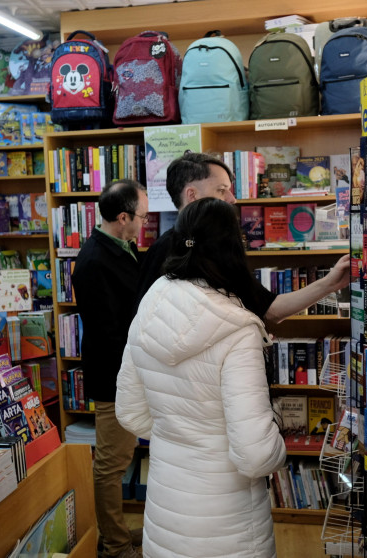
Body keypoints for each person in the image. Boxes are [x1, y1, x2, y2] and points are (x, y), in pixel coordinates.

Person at [116, 197, 287, 557]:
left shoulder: (150, 304)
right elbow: (256, 454)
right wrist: (279, 442)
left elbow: (130, 413)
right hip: (229, 520)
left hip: (166, 505)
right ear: (233, 248)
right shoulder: (237, 327)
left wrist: (178, 431)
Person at [133, 152, 351, 325]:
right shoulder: (162, 251)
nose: (232, 199)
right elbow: (144, 323)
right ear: (192, 195)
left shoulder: (221, 247)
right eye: (222, 190)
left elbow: (271, 309)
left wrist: (331, 282)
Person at [71, 179, 147, 558]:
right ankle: (114, 544)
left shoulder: (121, 247)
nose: (144, 225)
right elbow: (108, 333)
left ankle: (115, 533)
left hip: (131, 374)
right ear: (122, 217)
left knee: (121, 456)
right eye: (142, 218)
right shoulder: (93, 261)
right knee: (111, 464)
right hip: (116, 378)